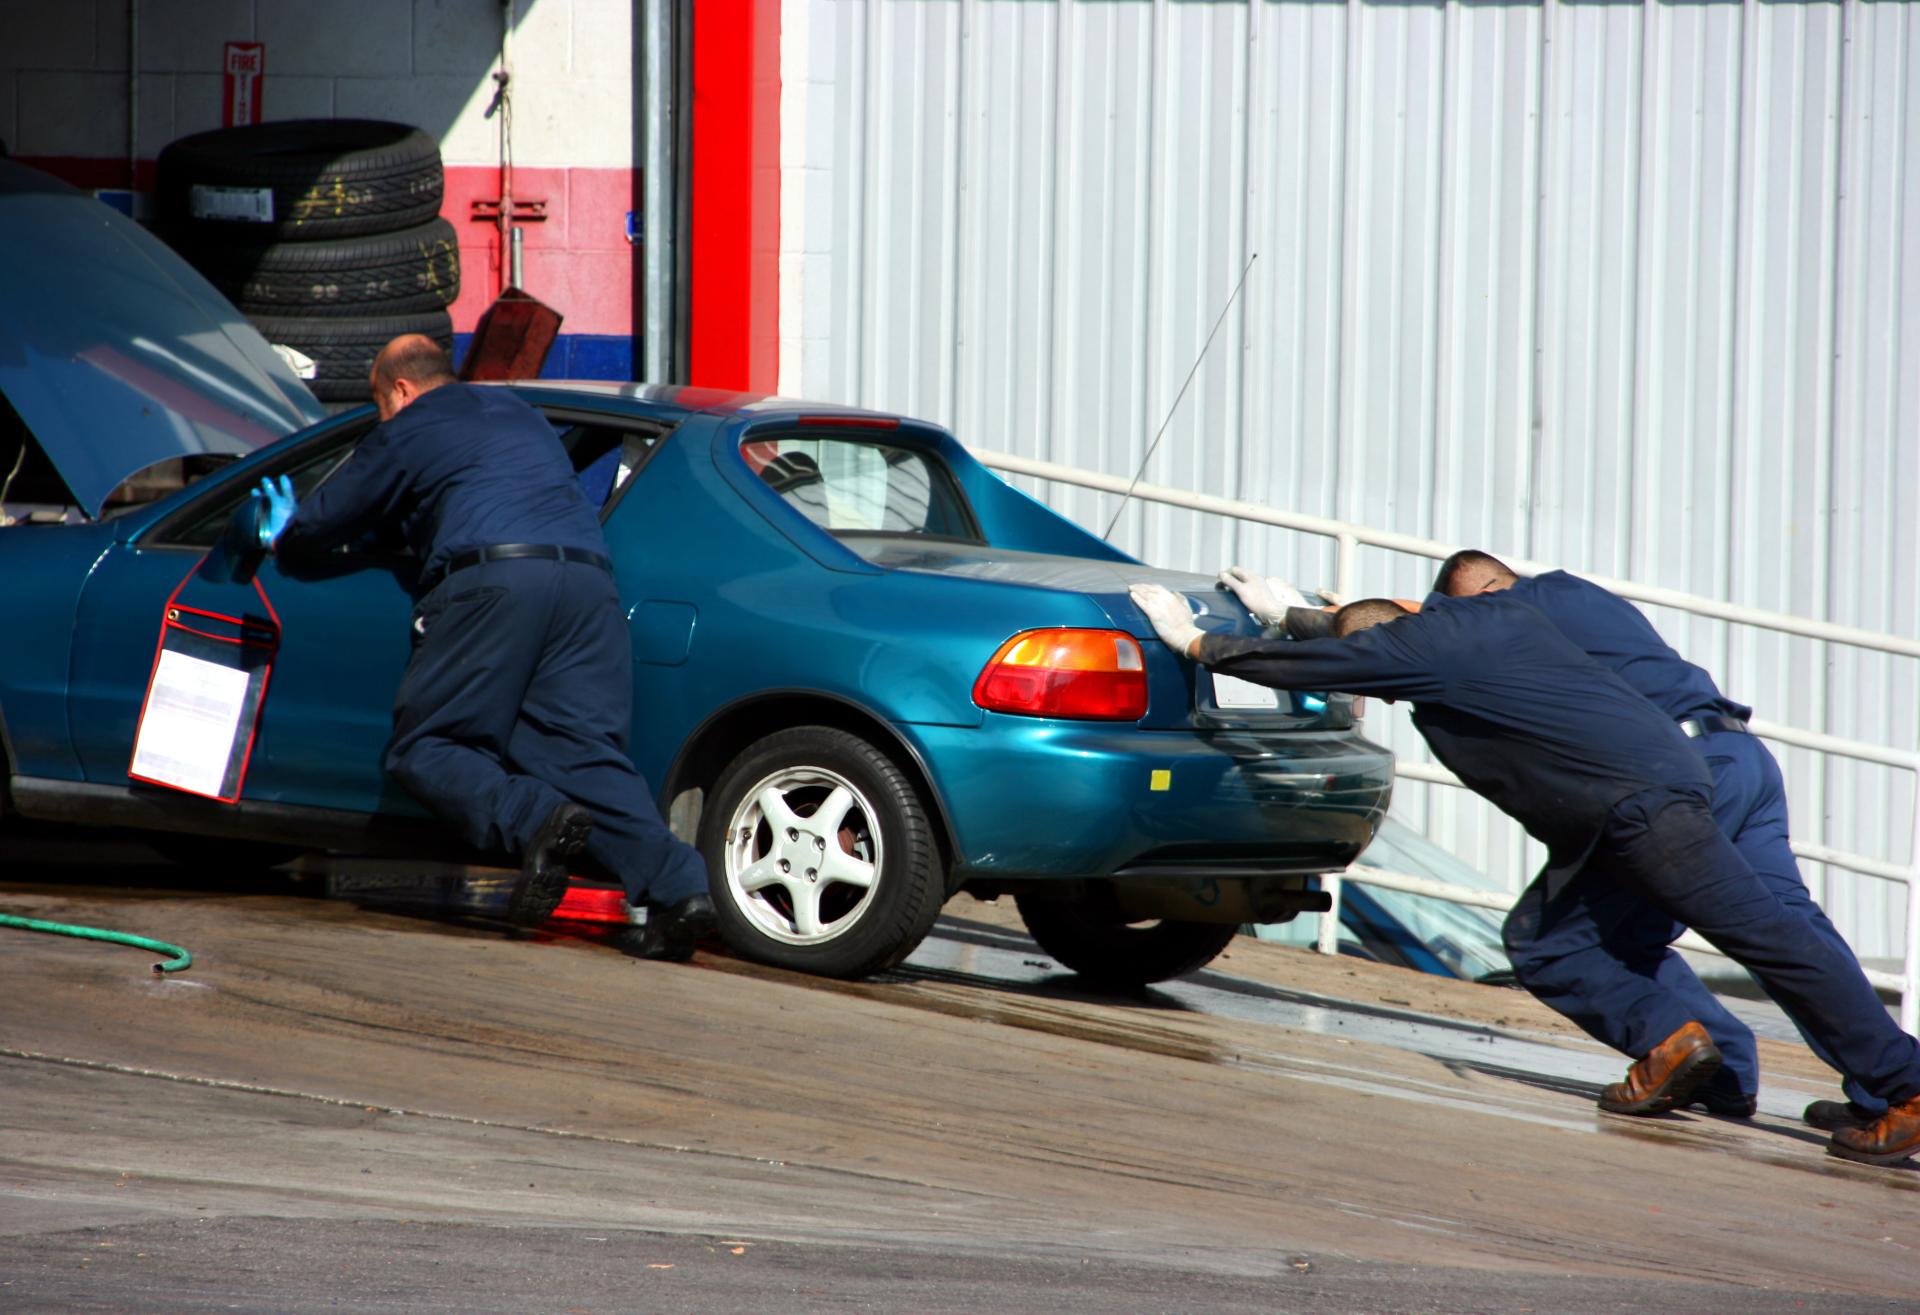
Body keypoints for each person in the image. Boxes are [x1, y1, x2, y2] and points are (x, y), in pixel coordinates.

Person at [1129, 580, 1920, 1166]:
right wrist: (1303, 614)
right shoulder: (1501, 616)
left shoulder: (1418, 652)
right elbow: (1372, 630)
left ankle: (1895, 1080)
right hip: (1665, 787)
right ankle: (1702, 1052)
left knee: (1747, 937)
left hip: (1638, 807)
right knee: (1572, 937)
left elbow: (1337, 659)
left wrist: (1198, 644)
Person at [257, 335, 715, 959]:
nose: (383, 418)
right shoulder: (520, 414)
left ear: (400, 390)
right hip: (587, 586)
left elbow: (330, 517)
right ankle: (681, 892)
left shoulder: (412, 424)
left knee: (427, 747)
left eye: (380, 405)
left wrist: (286, 532)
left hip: (495, 582)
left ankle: (535, 817)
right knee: (583, 756)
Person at [1425, 550, 1883, 1132]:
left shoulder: (1515, 610)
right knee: (1790, 928)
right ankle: (1874, 1087)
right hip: (1742, 755)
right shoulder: (1574, 592)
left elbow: (1443, 630)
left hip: (1686, 776)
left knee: (1556, 942)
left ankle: (1711, 1062)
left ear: (1485, 596)